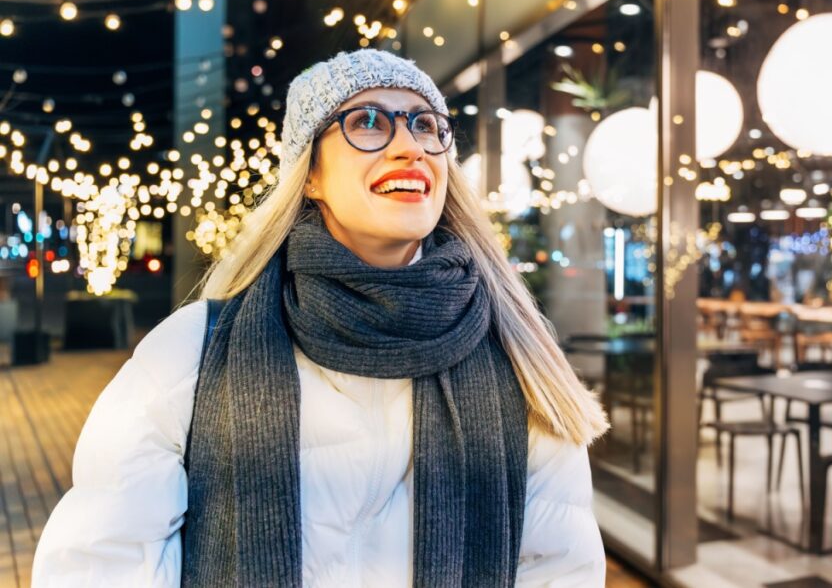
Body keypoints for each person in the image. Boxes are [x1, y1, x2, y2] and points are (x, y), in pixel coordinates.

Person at [32, 49, 609, 587]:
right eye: (368, 122)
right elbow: (100, 562)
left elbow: (560, 567)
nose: (410, 146)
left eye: (426, 125)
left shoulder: (517, 357)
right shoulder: (191, 352)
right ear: (309, 174)